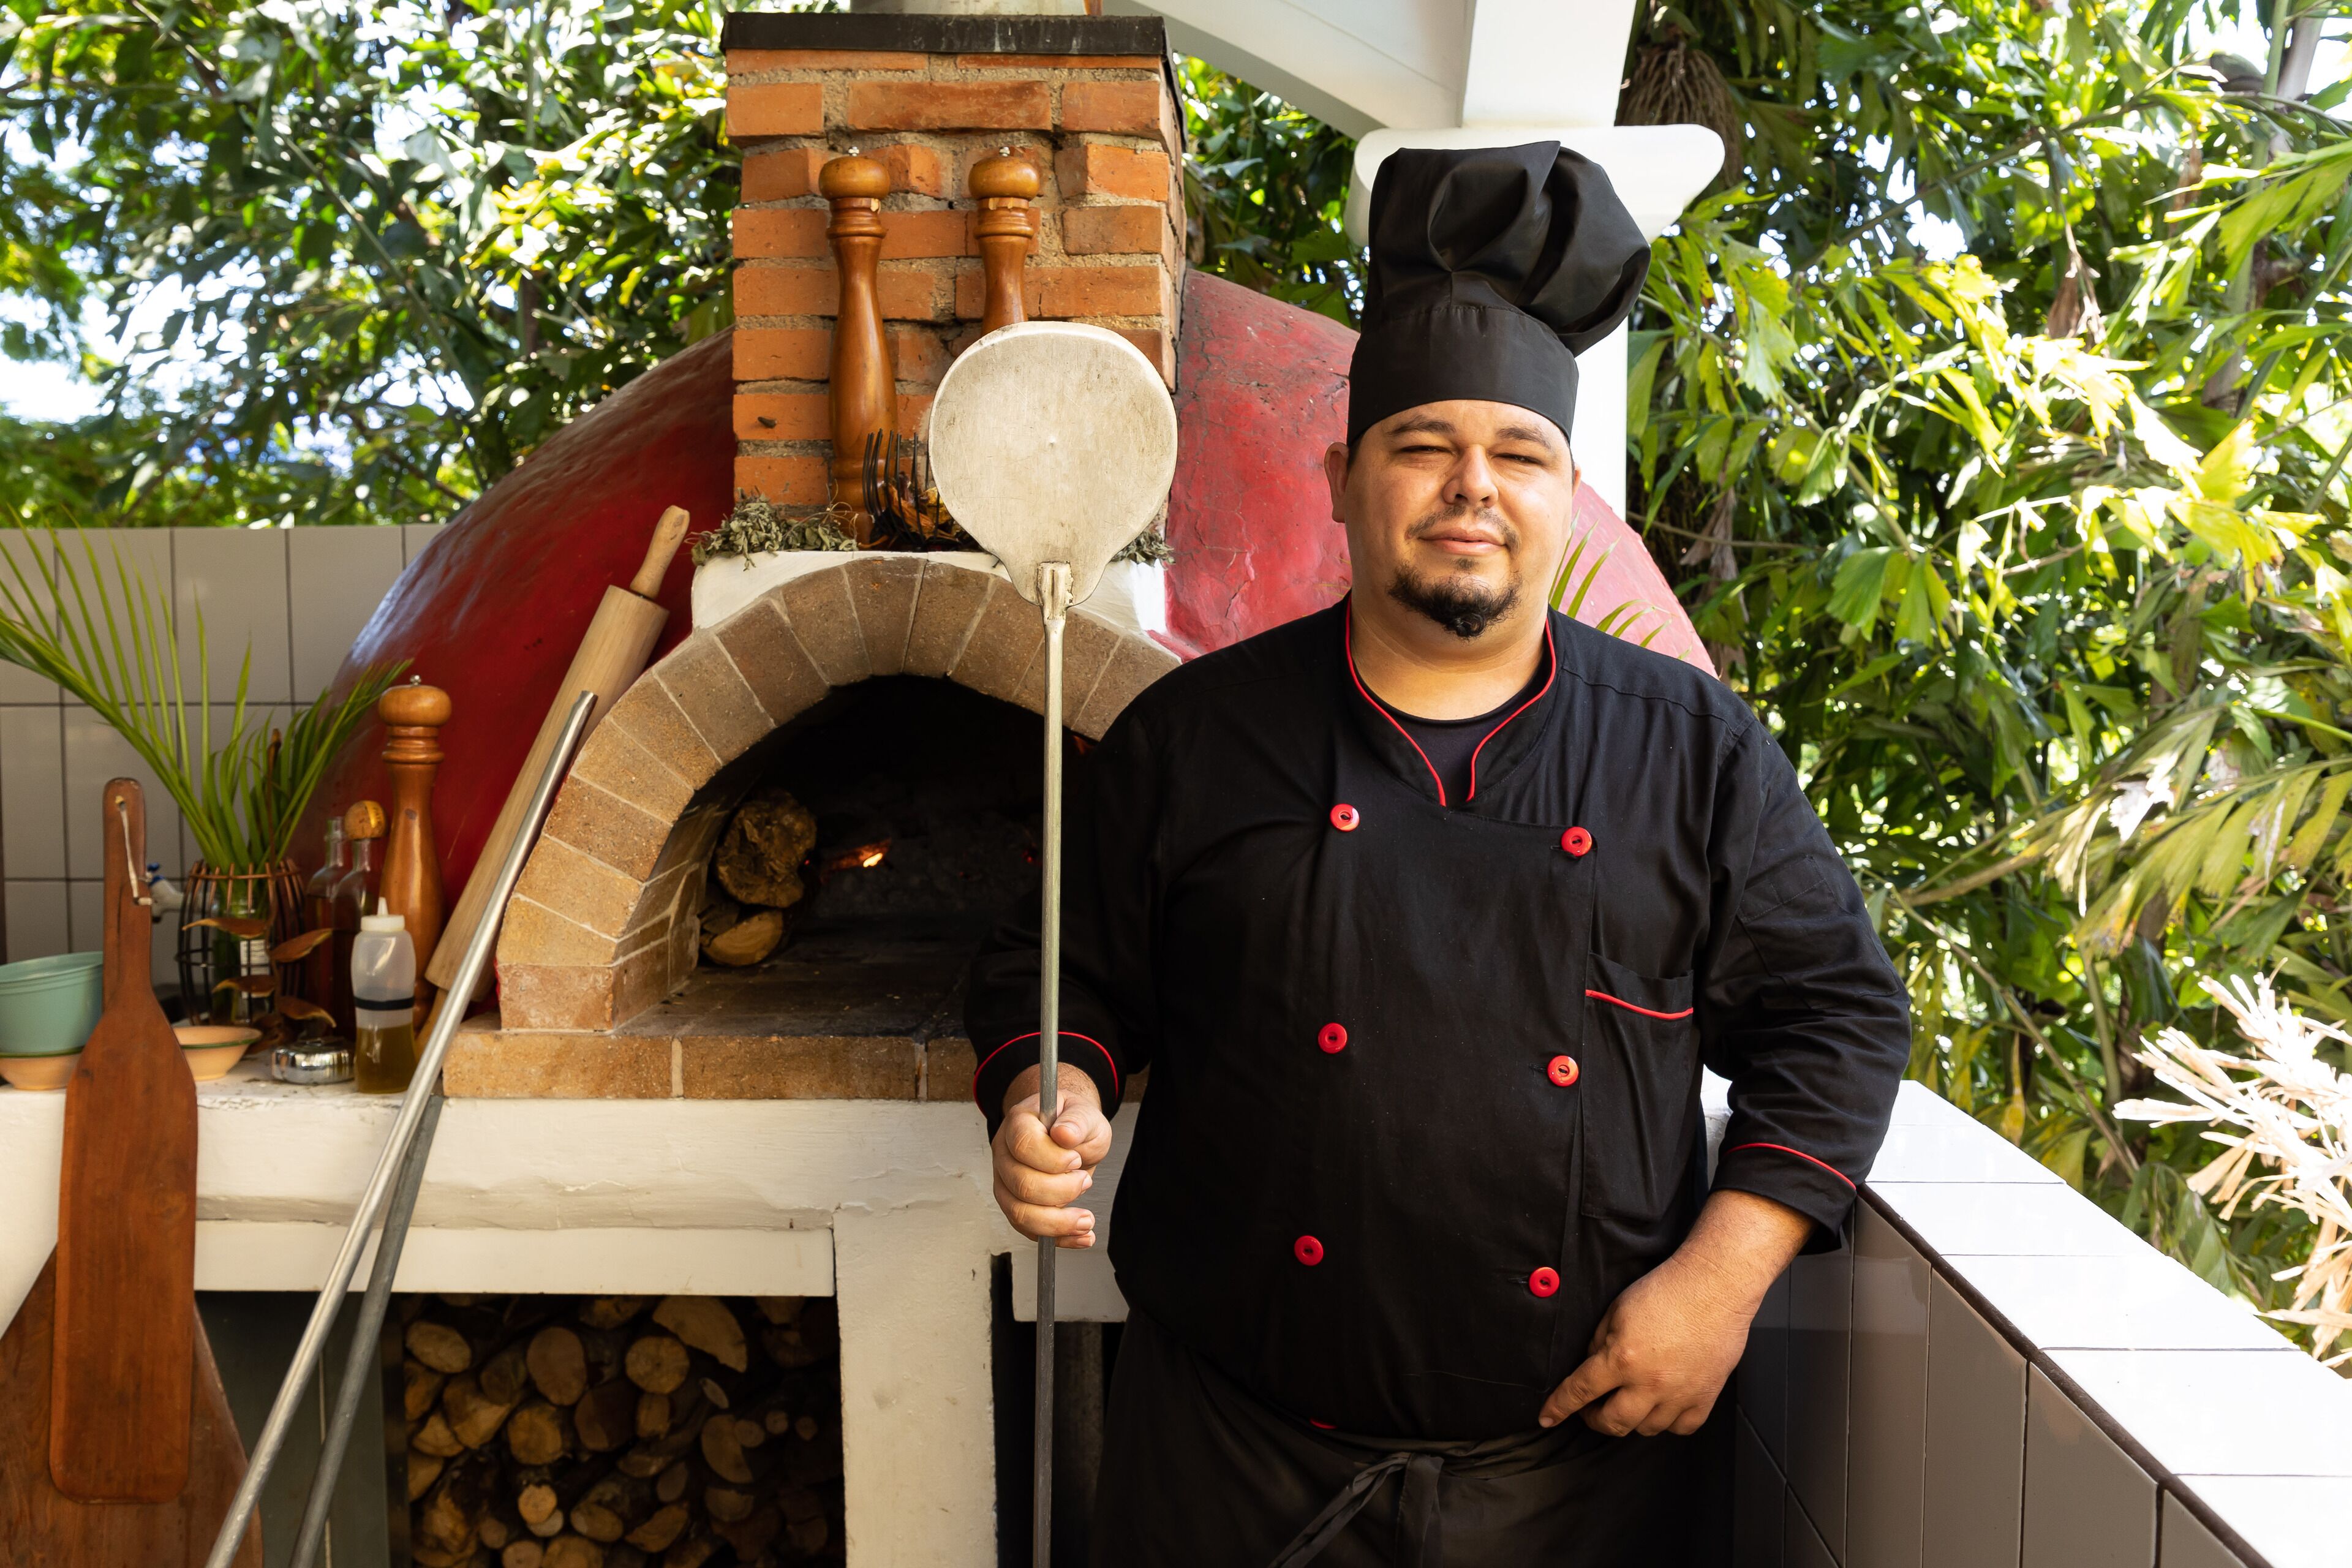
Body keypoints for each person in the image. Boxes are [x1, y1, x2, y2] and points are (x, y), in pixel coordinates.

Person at [965, 140, 1909, 1567]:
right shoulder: (1195, 736)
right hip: (1227, 1466)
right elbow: (1061, 967)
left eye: (1518, 454)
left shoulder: (1690, 746)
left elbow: (1836, 1014)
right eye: (1423, 445)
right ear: (1341, 479)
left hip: (1577, 1486)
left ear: (1566, 496)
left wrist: (1725, 1277)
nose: (1474, 486)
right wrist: (1053, 1091)